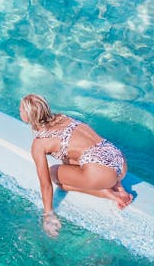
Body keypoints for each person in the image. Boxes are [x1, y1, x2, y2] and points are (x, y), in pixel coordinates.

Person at [19, 93, 133, 236]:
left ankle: (108, 193)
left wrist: (48, 215)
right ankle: (117, 184)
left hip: (102, 174)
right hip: (120, 160)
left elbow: (45, 184)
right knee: (77, 160)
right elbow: (71, 151)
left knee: (54, 174)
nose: (20, 112)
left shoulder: (39, 143)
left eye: (21, 110)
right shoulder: (63, 118)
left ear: (28, 116)